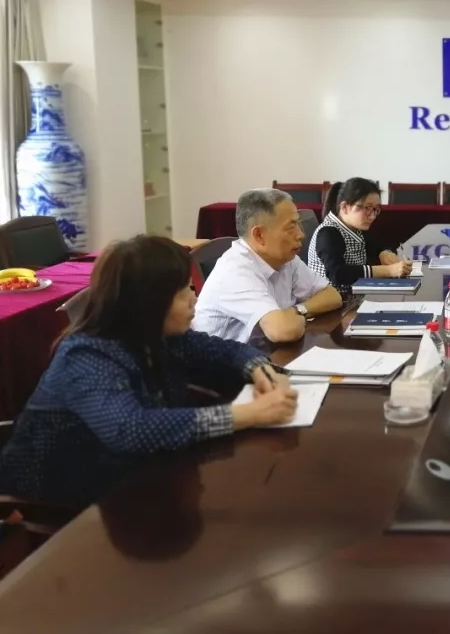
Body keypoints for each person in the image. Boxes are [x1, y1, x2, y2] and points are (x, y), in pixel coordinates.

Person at [0, 236, 299, 510]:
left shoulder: (157, 334)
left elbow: (221, 351)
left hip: (134, 481)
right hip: (58, 502)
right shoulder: (86, 355)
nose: (195, 299)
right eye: (184, 292)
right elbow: (131, 429)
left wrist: (257, 367)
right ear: (149, 302)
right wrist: (249, 414)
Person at [193, 188, 342, 342]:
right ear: (259, 235)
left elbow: (332, 295)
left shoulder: (285, 258)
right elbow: (283, 331)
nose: (301, 234)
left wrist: (298, 311)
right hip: (225, 357)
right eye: (291, 227)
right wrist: (289, 318)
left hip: (264, 351)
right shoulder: (235, 271)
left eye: (298, 223)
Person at [307, 178, 412, 297]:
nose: (372, 216)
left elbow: (375, 245)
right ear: (345, 207)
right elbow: (338, 274)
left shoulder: (355, 228)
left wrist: (384, 253)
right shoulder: (328, 233)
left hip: (353, 295)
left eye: (376, 209)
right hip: (333, 301)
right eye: (367, 208)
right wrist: (388, 271)